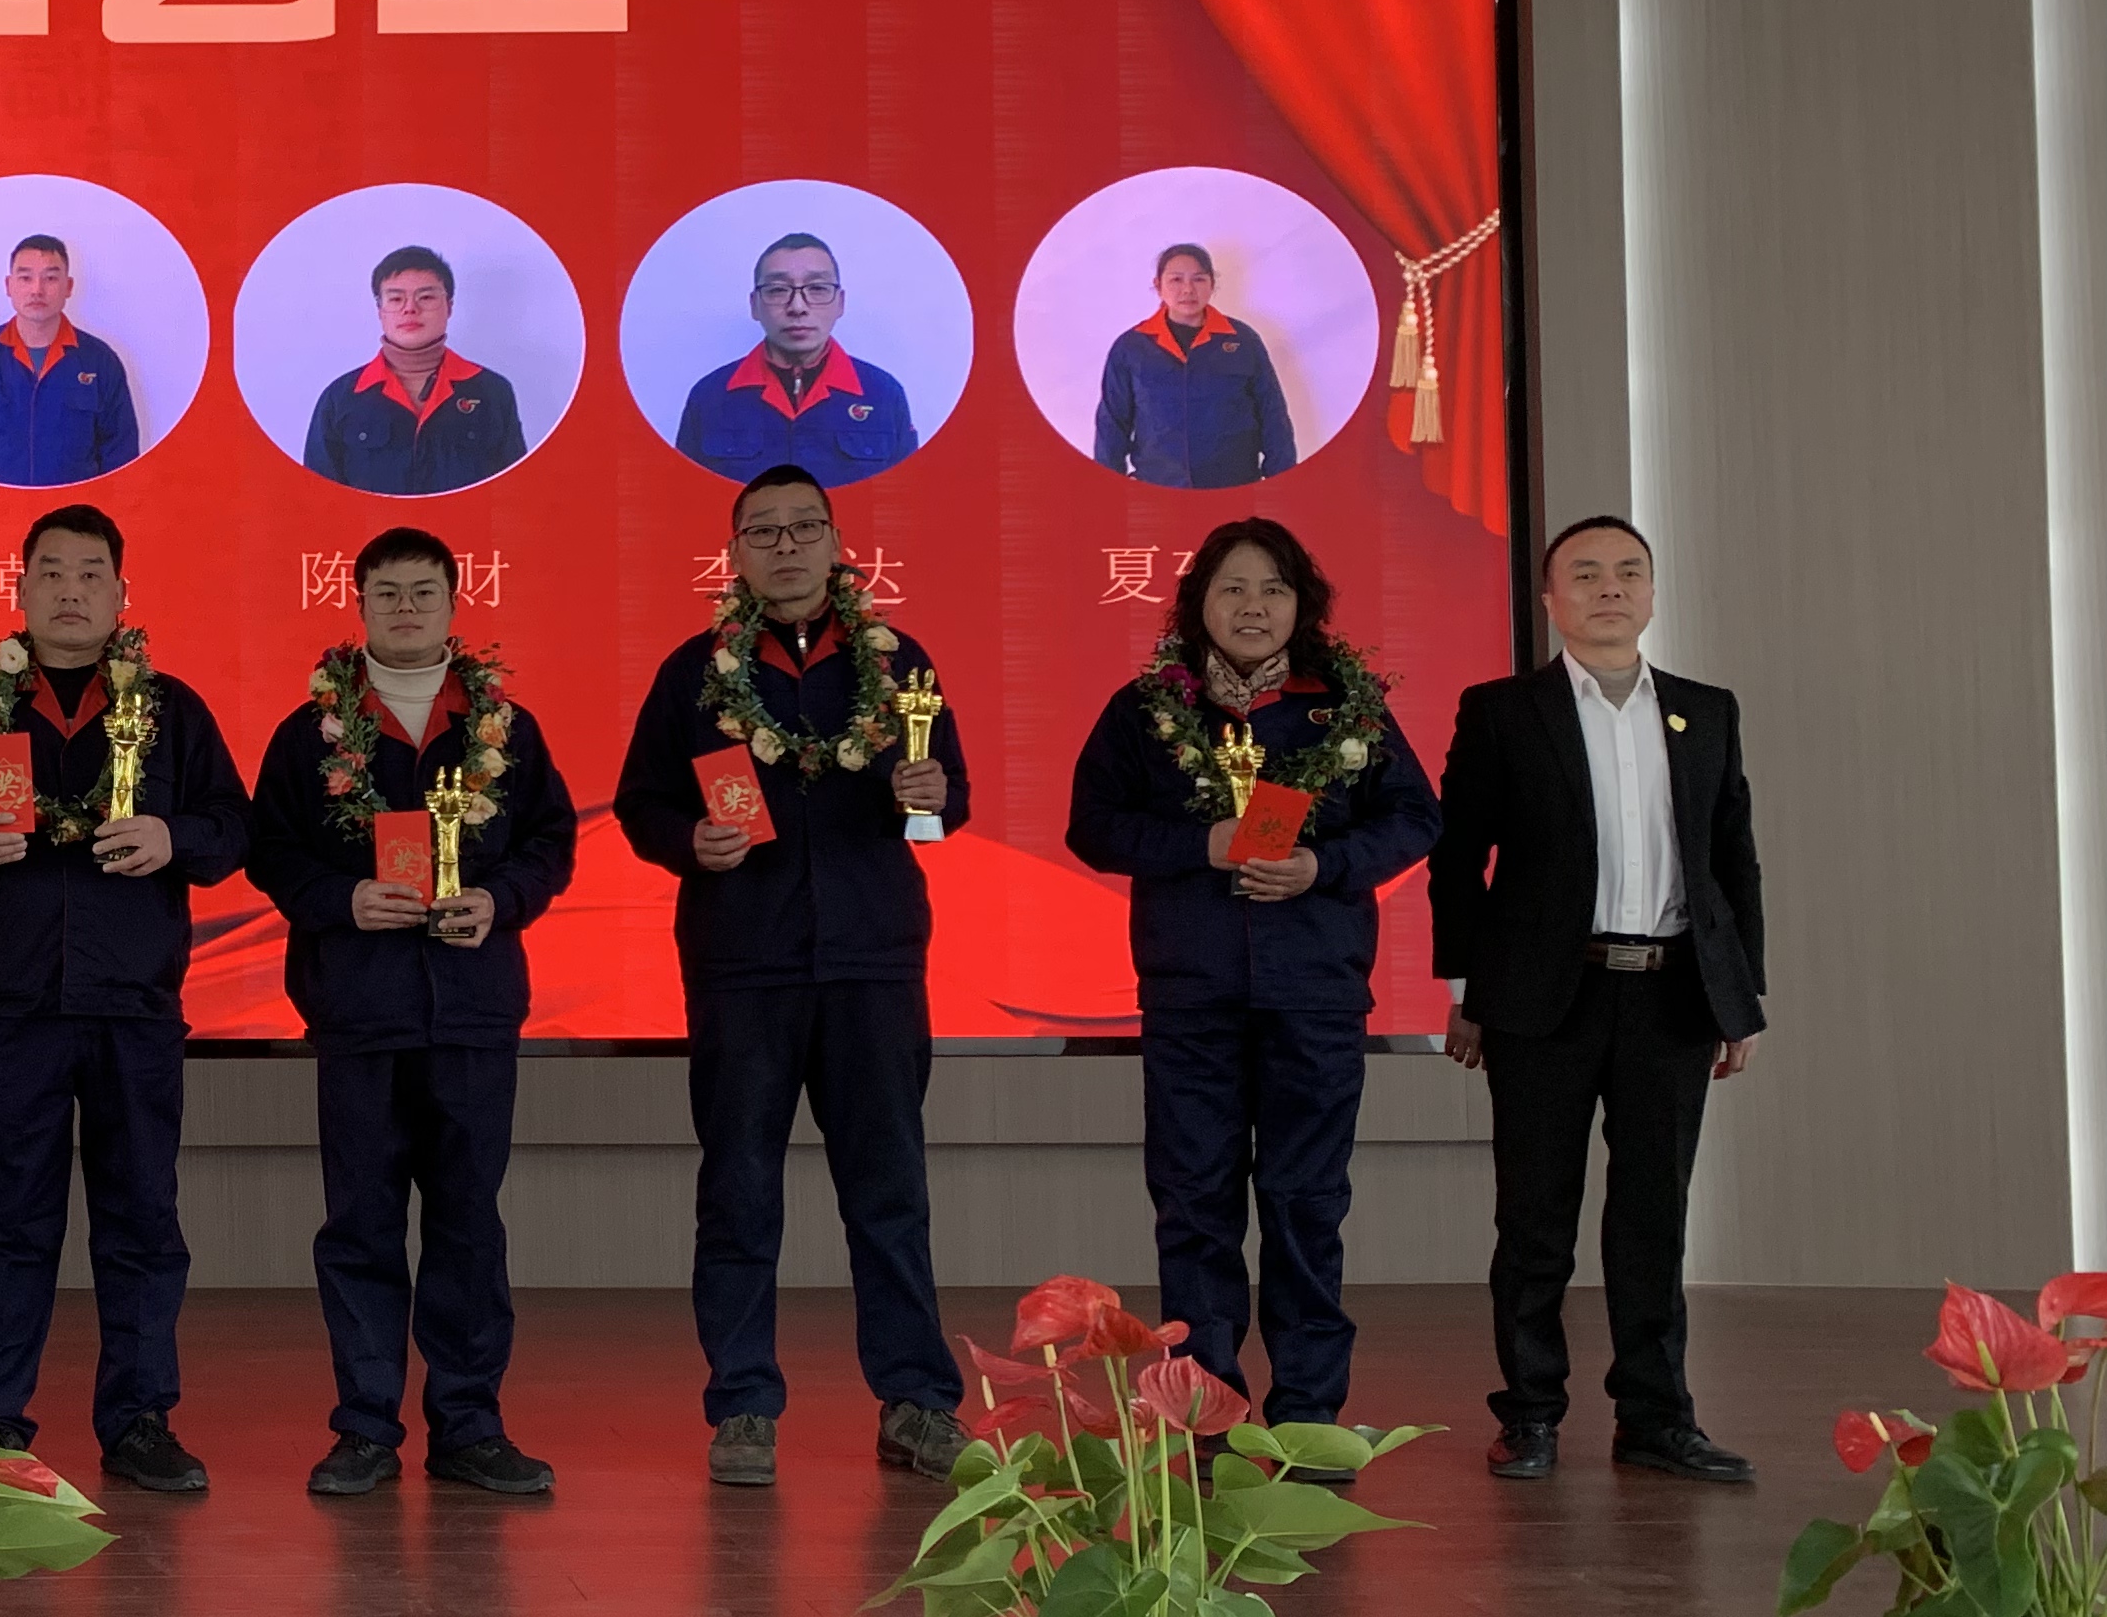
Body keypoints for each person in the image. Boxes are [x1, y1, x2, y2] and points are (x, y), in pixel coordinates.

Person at [610, 464, 970, 1487]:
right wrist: (690, 842)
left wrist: (933, 796)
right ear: (734, 554)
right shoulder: (696, 672)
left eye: (803, 527)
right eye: (762, 532)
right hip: (743, 962)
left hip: (872, 961)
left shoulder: (897, 664)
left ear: (836, 543)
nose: (785, 546)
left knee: (889, 1194)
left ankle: (915, 1400)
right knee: (739, 1192)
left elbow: (946, 810)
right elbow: (641, 804)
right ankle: (743, 1406)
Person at [0, 505, 251, 1493]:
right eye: (50, 573)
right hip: (14, 1003)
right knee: (6, 1218)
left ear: (121, 594)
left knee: (141, 1218)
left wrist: (175, 837)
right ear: (19, 591)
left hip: (134, 1004)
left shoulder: (169, 710)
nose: (69, 591)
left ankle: (138, 1420)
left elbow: (235, 826)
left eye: (91, 574)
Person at [1063, 518, 1439, 1438]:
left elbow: (1415, 819)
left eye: (1273, 588)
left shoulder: (1346, 708)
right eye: (1232, 588)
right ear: (1199, 603)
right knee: (1195, 1205)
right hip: (1191, 994)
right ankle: (1204, 1410)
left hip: (1315, 992)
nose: (1253, 606)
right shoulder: (1147, 709)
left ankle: (1308, 1410)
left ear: (1302, 605)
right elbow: (1093, 826)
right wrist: (1202, 845)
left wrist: (1323, 866)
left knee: (1306, 1204)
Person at [1432, 513, 1765, 1484]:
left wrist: (1742, 994)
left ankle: (1656, 1417)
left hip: (1673, 995)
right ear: (1551, 599)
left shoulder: (1705, 712)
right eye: (1585, 573)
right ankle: (1531, 1413)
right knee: (1535, 1219)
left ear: (1652, 594)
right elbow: (1458, 858)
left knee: (1654, 1220)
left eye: (1628, 571)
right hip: (1544, 999)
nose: (1609, 587)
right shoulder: (1503, 711)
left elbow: (1733, 859)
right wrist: (1467, 988)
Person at [250, 526, 577, 1497]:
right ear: (358, 605)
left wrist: (501, 900)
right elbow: (270, 853)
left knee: (468, 1223)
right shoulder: (308, 732)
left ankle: (470, 1426)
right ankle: (364, 1428)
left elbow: (551, 842)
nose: (405, 608)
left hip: (472, 1010)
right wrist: (341, 899)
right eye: (387, 593)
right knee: (360, 1224)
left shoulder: (505, 728)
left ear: (452, 603)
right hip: (360, 1011)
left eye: (423, 592)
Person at [670, 232, 922, 486]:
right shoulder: (710, 396)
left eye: (818, 288)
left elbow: (906, 497)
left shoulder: (884, 394)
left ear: (840, 303)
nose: (798, 307)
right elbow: (685, 495)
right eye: (778, 290)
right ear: (754, 305)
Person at [299, 246, 530, 496]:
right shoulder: (340, 398)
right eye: (396, 299)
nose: (410, 309)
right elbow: (319, 499)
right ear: (380, 311)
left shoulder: (492, 392)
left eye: (426, 297)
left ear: (449, 307)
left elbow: (514, 493)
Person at [0, 232, 145, 487]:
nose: (37, 290)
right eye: (25, 278)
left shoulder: (100, 361)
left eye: (50, 278)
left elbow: (121, 462)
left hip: (71, 511)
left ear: (69, 287)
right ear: (9, 286)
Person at [1092, 243, 1297, 490]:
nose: (1188, 289)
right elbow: (1112, 423)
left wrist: (1282, 484)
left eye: (1198, 279)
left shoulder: (1242, 340)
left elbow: (1272, 414)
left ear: (1212, 284)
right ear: (1158, 285)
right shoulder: (1131, 347)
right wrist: (1109, 488)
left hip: (1233, 487)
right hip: (1158, 487)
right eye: (1176, 280)